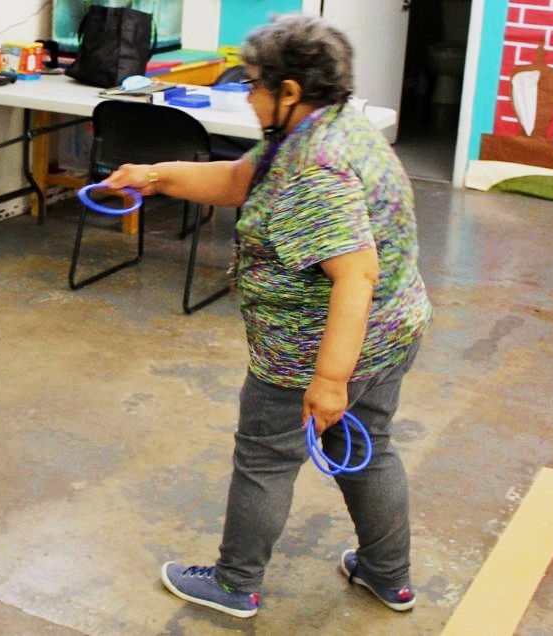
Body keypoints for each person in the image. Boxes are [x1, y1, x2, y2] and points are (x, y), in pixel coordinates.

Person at [103, 14, 433, 619]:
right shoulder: (328, 128)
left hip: (315, 348)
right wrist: (155, 175)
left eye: (253, 84)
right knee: (373, 445)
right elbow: (237, 179)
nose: (246, 95)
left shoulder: (315, 168)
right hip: (392, 329)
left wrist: (330, 381)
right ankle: (389, 577)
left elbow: (355, 274)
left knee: (265, 457)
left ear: (289, 92)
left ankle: (235, 584)